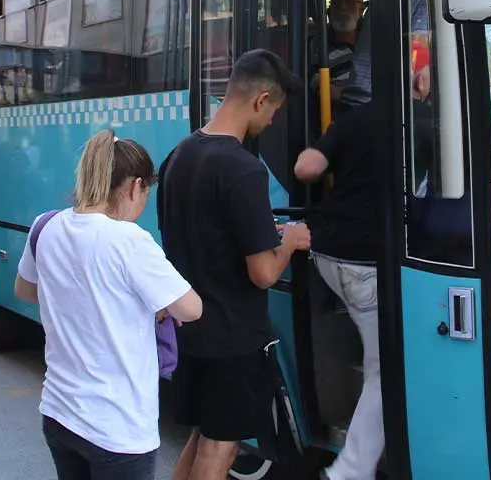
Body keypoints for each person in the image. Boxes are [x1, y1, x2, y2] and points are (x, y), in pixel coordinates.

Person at [158, 49, 312, 480]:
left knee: (201, 437)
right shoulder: (244, 169)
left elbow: (196, 233)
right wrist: (291, 242)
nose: (272, 122)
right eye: (275, 110)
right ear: (261, 100)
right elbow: (262, 273)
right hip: (232, 338)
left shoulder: (179, 155)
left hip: (191, 330)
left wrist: (266, 239)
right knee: (220, 450)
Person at [14, 129, 203, 480]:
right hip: (117, 429)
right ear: (135, 187)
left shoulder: (46, 225)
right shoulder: (129, 240)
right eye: (146, 192)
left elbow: (25, 290)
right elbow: (191, 309)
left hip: (59, 413)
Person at [295, 102, 384, 480]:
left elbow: (306, 168)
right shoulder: (425, 122)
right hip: (362, 262)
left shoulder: (355, 117)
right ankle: (348, 472)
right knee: (386, 367)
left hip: (327, 249)